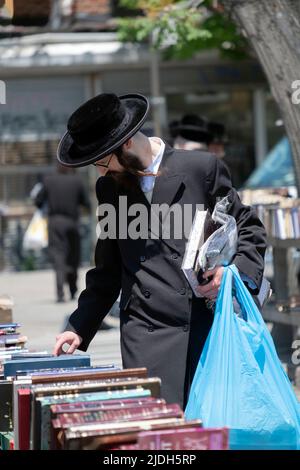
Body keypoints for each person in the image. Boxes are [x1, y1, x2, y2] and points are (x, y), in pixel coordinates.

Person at [53, 93, 267, 407]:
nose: (100, 172)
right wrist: (79, 327)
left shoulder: (200, 168)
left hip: (204, 330)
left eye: (102, 161)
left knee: (207, 432)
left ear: (126, 144)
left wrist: (232, 275)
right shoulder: (110, 188)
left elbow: (249, 227)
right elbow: (108, 270)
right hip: (145, 336)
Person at [35, 164, 90, 303]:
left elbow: (38, 201)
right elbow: (86, 203)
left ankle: (60, 293)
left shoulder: (48, 181)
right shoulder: (77, 181)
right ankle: (72, 290)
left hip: (55, 222)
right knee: (73, 256)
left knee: (58, 256)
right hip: (72, 221)